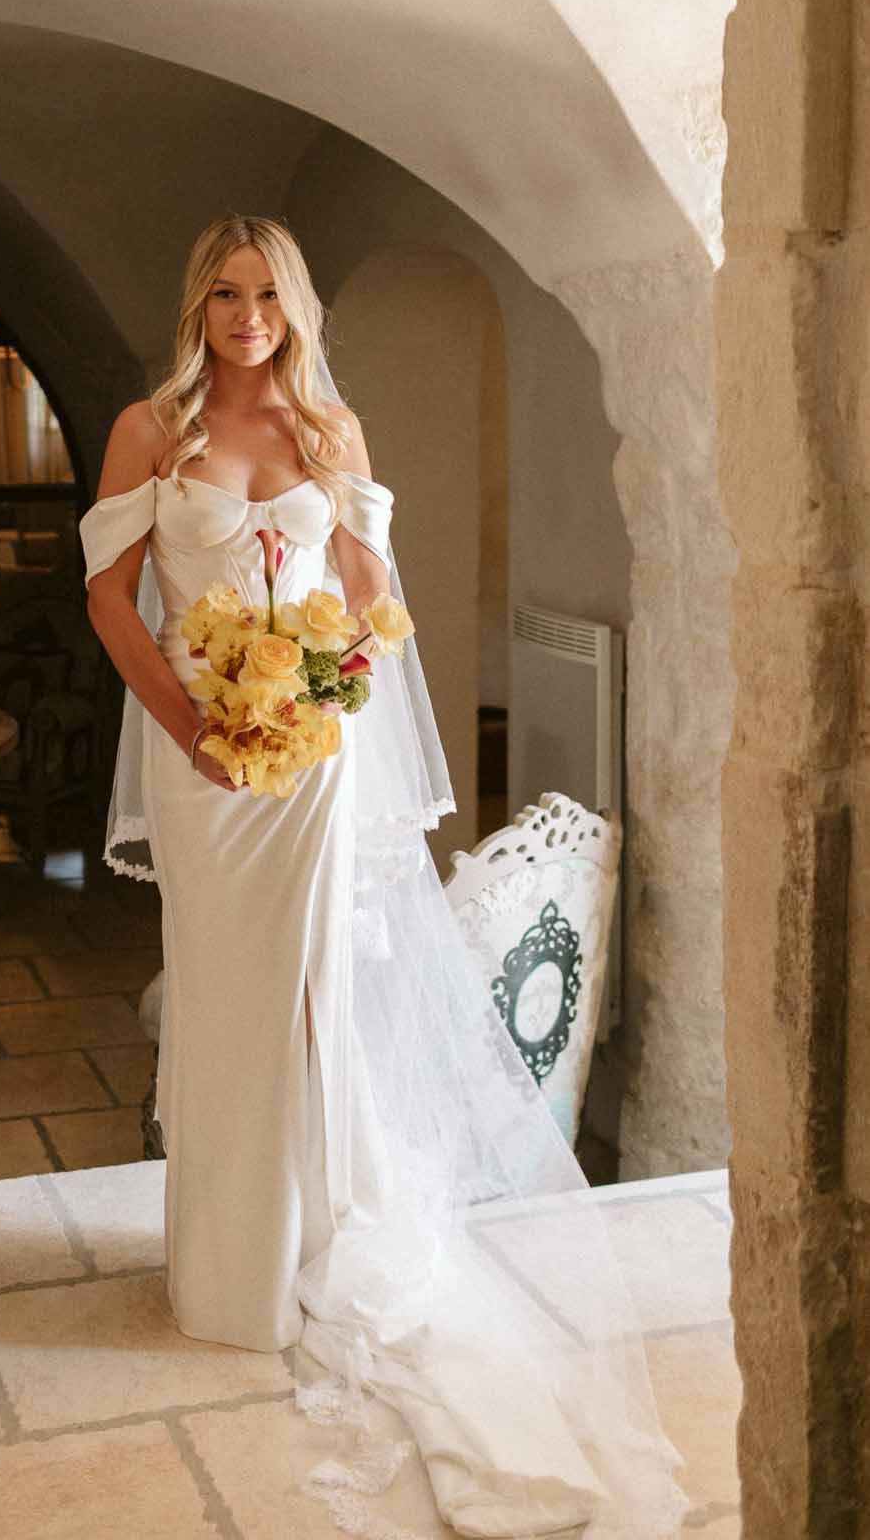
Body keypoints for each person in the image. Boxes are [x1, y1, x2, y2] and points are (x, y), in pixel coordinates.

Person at [80, 215, 687, 1538]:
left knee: (318, 998)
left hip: (307, 756)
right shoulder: (150, 431)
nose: (247, 313)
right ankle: (223, 1272)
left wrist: (315, 695)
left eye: (267, 294)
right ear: (199, 305)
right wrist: (195, 727)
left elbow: (370, 601)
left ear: (293, 307)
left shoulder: (329, 433)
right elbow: (112, 602)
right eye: (226, 293)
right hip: (201, 763)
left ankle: (317, 1238)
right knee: (229, 999)